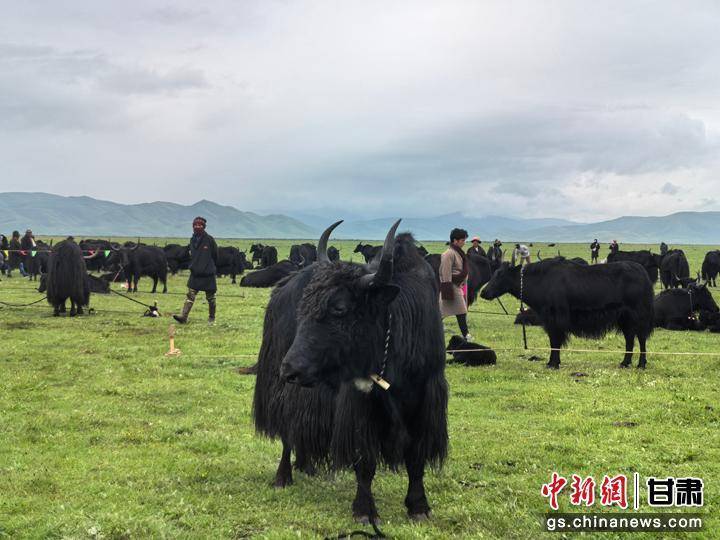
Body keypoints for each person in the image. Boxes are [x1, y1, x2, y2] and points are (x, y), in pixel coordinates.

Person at [173, 217, 219, 325]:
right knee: (190, 296)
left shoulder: (210, 239)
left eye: (200, 225)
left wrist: (210, 266)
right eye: (195, 225)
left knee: (211, 298)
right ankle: (183, 317)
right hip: (195, 272)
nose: (197, 227)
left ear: (204, 227)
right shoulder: (192, 240)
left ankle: (211, 319)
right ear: (193, 226)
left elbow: (216, 255)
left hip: (208, 273)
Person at [439, 228, 472, 341]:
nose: (464, 242)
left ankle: (466, 335)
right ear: (455, 240)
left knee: (442, 314)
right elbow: (445, 272)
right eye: (462, 240)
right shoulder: (448, 254)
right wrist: (447, 291)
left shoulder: (458, 252)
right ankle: (466, 335)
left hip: (458, 285)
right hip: (451, 286)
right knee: (461, 311)